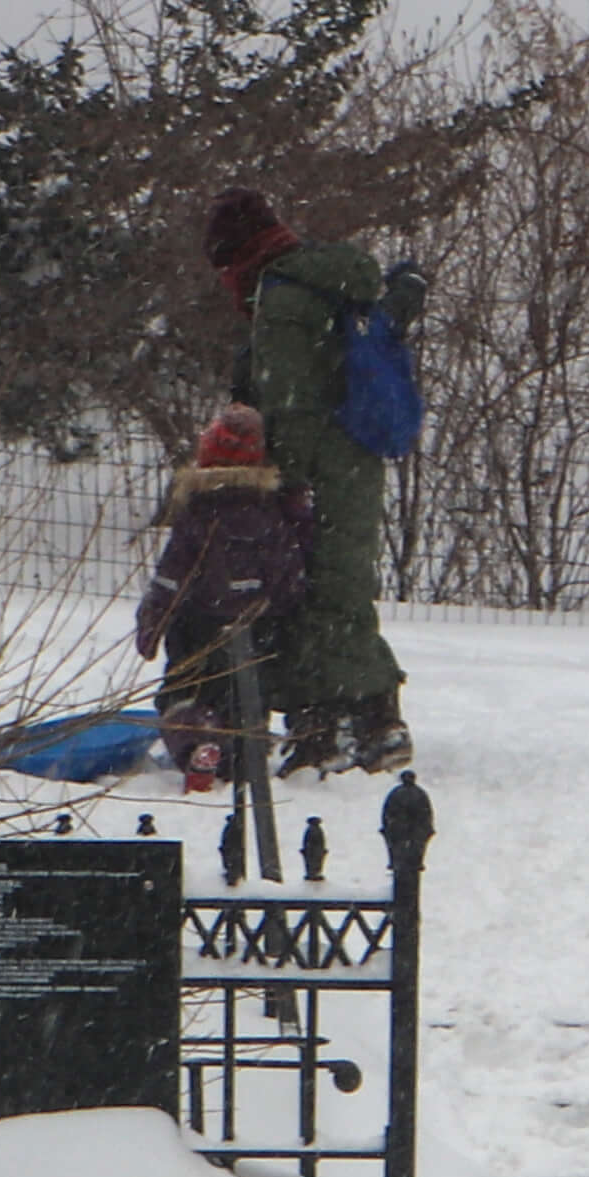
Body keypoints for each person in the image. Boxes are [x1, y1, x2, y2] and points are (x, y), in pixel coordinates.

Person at [199, 186, 421, 772]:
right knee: (338, 587)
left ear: (237, 256)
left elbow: (293, 407)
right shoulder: (323, 277)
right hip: (355, 458)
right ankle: (360, 718)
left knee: (315, 593)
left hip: (322, 464)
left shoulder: (281, 297)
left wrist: (277, 478)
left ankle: (349, 722)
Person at [132, 405, 314, 794]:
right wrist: (281, 611)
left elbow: (171, 577)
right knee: (246, 697)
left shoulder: (199, 512)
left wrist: (153, 621)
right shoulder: (272, 512)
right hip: (256, 628)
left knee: (182, 695)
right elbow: (289, 574)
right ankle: (244, 754)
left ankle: (199, 745)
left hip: (199, 624)